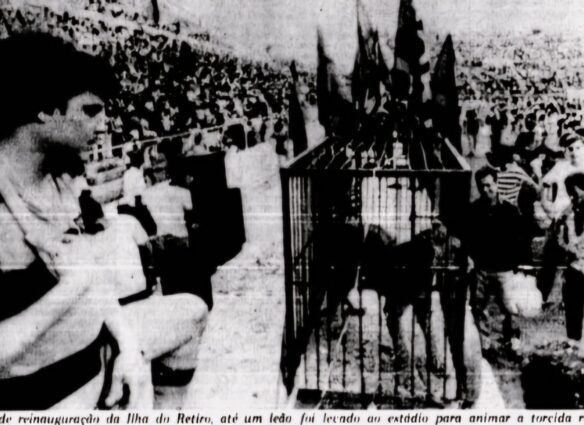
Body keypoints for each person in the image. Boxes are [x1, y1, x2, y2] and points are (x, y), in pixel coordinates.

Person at [0, 33, 151, 409]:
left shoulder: (59, 179)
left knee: (192, 311)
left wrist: (129, 347)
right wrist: (73, 285)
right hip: (44, 393)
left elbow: (94, 282)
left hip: (91, 355)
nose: (102, 124)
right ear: (44, 109)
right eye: (90, 111)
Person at [466, 166, 528, 353]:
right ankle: (483, 344)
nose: (486, 190)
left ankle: (513, 341)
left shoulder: (510, 210)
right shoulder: (474, 211)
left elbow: (520, 239)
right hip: (481, 268)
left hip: (505, 269)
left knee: (511, 308)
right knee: (479, 308)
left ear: (497, 183)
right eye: (481, 186)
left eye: (489, 185)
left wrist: (518, 266)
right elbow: (469, 239)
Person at [556, 172, 584, 340]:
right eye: (570, 193)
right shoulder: (568, 213)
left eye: (575, 192)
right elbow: (559, 240)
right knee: (573, 307)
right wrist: (568, 248)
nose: (572, 197)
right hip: (575, 266)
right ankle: (573, 343)